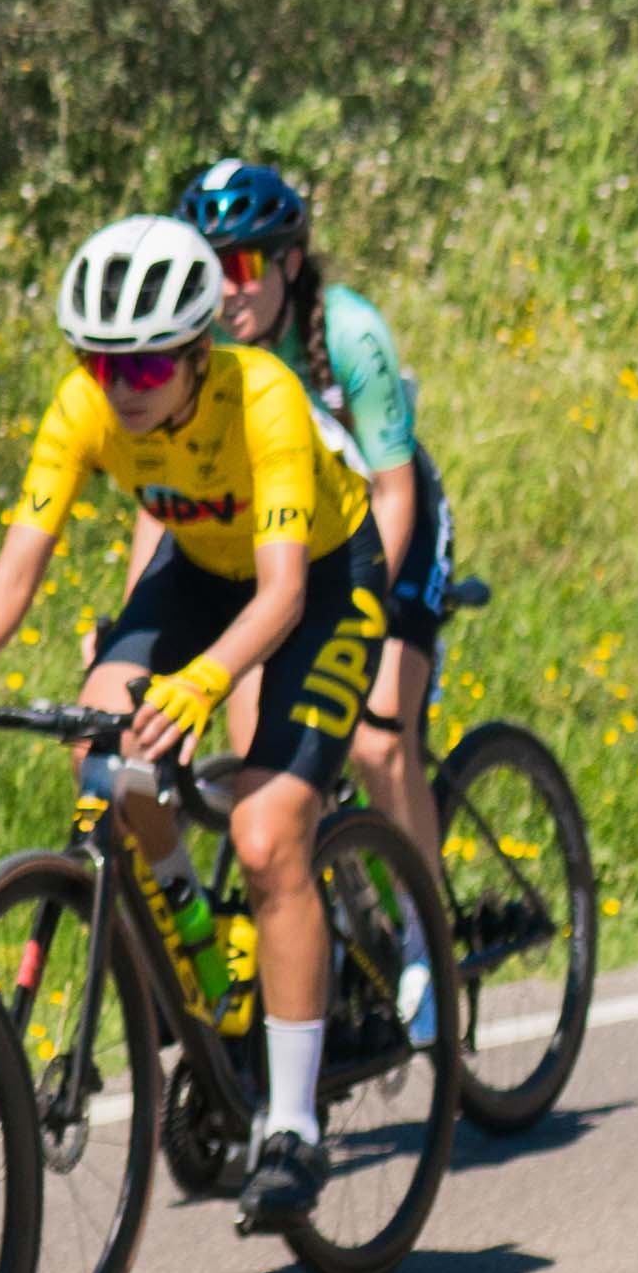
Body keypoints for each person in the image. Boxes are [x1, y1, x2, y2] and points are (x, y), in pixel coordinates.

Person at [0, 212, 388, 1242]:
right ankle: (203, 935)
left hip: (319, 579)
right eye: (102, 364)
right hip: (195, 568)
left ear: (195, 353)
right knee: (102, 754)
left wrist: (203, 681)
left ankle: (294, 1122)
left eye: (144, 368)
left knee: (270, 837)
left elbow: (276, 595)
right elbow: (19, 562)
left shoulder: (261, 396)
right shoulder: (83, 406)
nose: (121, 388)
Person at [179, 152, 447, 871]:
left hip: (386, 521)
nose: (226, 291)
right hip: (287, 530)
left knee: (379, 735)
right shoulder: (201, 348)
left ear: (289, 264)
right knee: (256, 746)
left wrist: (366, 611)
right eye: (210, 269)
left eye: (241, 268)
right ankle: (329, 917)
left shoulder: (350, 332)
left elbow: (393, 491)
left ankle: (431, 947)